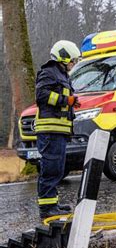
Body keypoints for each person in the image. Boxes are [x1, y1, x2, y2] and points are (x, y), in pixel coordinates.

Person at [35, 40, 81, 219]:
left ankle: (52, 203)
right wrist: (65, 100)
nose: (73, 64)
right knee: (51, 167)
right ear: (63, 57)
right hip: (50, 129)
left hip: (59, 130)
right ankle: (46, 208)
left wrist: (71, 101)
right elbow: (41, 95)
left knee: (58, 169)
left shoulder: (62, 75)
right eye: (72, 61)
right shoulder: (48, 72)